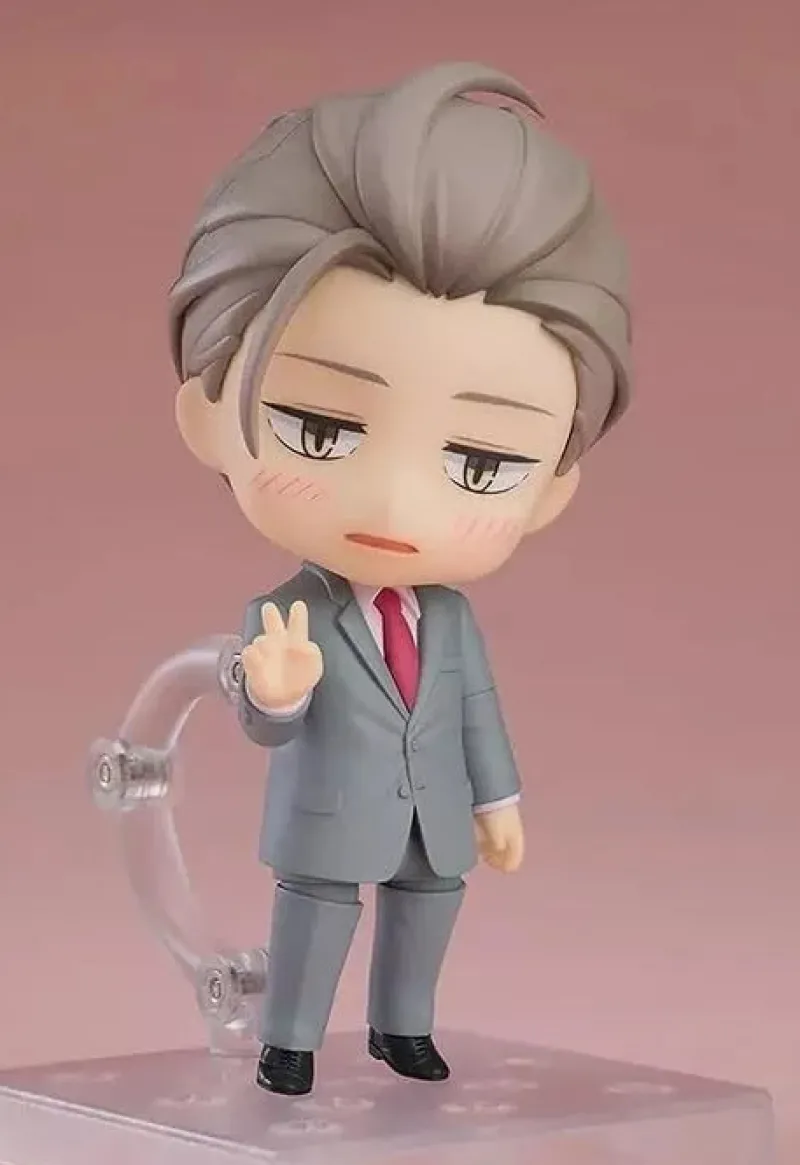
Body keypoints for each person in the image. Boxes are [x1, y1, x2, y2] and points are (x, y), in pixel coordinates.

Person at [168, 61, 631, 1097]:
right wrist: (273, 692)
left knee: (429, 907)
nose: (394, 502)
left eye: (481, 464)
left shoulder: (451, 617)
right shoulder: (288, 610)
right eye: (320, 429)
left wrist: (498, 797)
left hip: (435, 812)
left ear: (551, 487)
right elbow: (264, 721)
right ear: (207, 412)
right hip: (331, 814)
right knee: (317, 915)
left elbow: (475, 709)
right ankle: (289, 1041)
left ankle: (401, 1028)